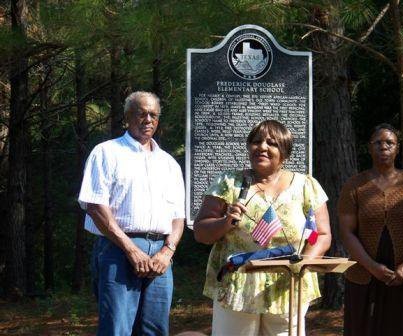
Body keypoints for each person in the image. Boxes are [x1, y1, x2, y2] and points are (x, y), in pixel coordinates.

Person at [194, 120, 331, 336]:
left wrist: (302, 264)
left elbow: (322, 234)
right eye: (256, 142)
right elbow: (201, 232)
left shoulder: (306, 185)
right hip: (237, 285)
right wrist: (225, 221)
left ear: (285, 152)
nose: (262, 147)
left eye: (272, 143)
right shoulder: (229, 182)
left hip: (288, 285)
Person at [78, 91, 185, 336]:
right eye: (141, 113)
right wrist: (131, 249)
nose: (148, 119)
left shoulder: (169, 163)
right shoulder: (106, 152)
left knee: (155, 330)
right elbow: (95, 206)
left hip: (161, 254)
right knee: (117, 329)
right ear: (128, 117)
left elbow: (178, 215)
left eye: (153, 115)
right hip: (117, 249)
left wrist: (168, 251)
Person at [338, 123, 403, 336]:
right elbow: (347, 232)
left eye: (389, 142)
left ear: (397, 148)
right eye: (378, 142)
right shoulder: (354, 186)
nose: (384, 147)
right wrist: (372, 267)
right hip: (365, 273)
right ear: (369, 148)